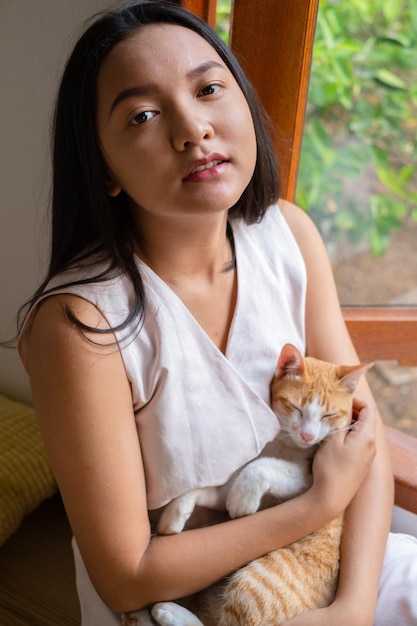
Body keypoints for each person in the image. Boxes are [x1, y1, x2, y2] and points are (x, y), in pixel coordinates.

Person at [16, 2, 417, 625]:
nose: (192, 128)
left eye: (208, 88)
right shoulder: (81, 325)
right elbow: (127, 577)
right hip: (187, 608)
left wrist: (353, 608)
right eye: (143, 114)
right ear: (104, 170)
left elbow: (363, 444)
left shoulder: (288, 235)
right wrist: (316, 505)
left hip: (327, 571)